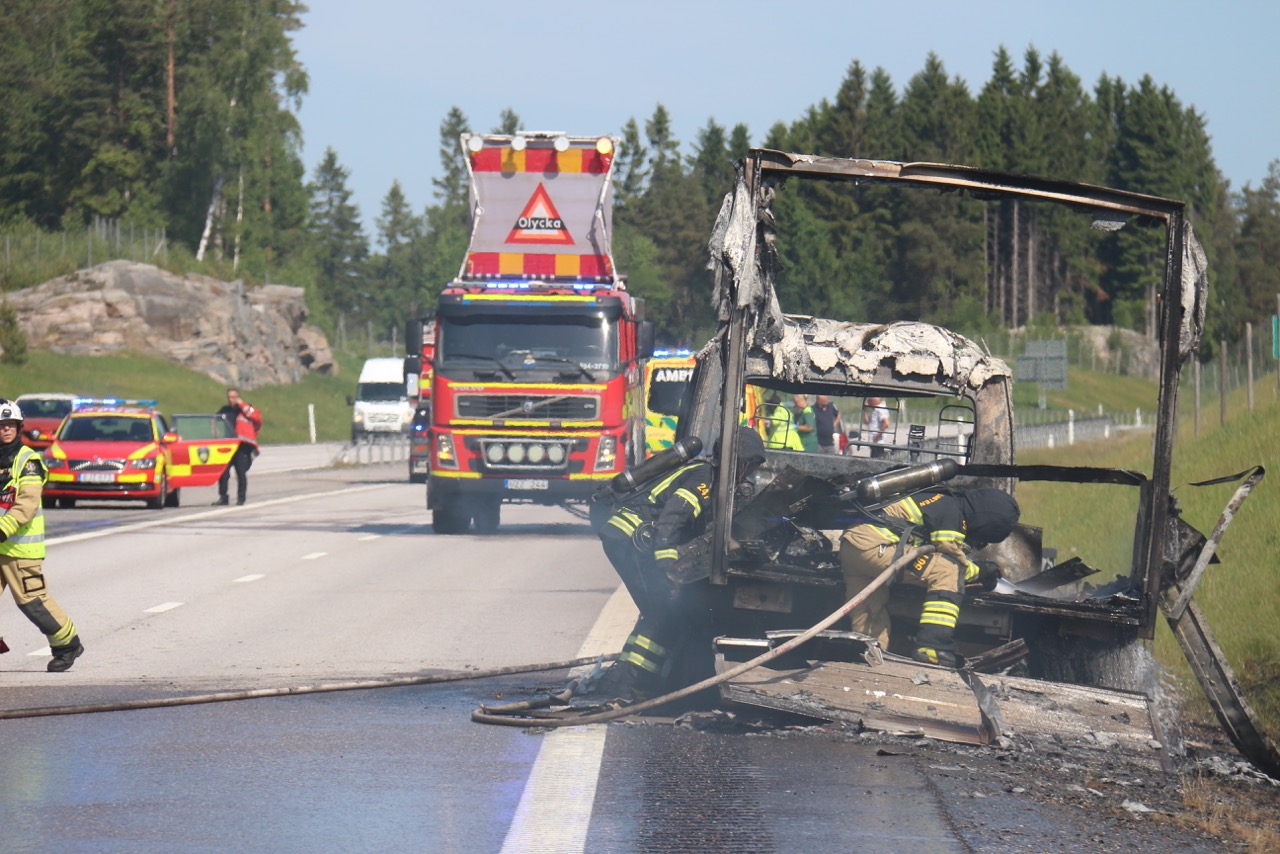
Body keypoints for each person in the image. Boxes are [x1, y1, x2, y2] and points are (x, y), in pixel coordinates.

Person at [594, 426, 767, 699]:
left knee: (658, 611)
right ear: (738, 461)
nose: (749, 474)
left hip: (628, 536)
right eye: (749, 465)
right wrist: (666, 560)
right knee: (665, 612)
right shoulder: (704, 478)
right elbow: (674, 515)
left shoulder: (707, 474)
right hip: (631, 536)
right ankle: (630, 684)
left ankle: (622, 679)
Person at [839, 487, 1019, 667]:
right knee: (948, 570)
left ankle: (867, 660)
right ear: (983, 521)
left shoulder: (941, 500)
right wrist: (981, 572)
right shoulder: (952, 512)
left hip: (852, 547)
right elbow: (953, 558)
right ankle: (933, 647)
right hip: (876, 547)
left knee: (870, 611)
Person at [0, 400, 84, 672]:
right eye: (1, 426)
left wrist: (3, 529)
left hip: (19, 548)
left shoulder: (29, 462)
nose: (6, 430)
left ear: (19, 427)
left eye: (10, 425)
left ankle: (67, 644)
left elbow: (27, 503)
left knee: (32, 602)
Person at [214, 388, 263, 506]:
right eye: (229, 397)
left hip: (242, 446)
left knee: (241, 472)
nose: (231, 399)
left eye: (233, 397)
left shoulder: (247, 408)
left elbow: (256, 418)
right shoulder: (225, 410)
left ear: (238, 397)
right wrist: (216, 432)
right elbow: (214, 419)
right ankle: (223, 497)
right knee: (224, 472)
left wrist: (241, 404)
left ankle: (241, 498)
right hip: (228, 445)